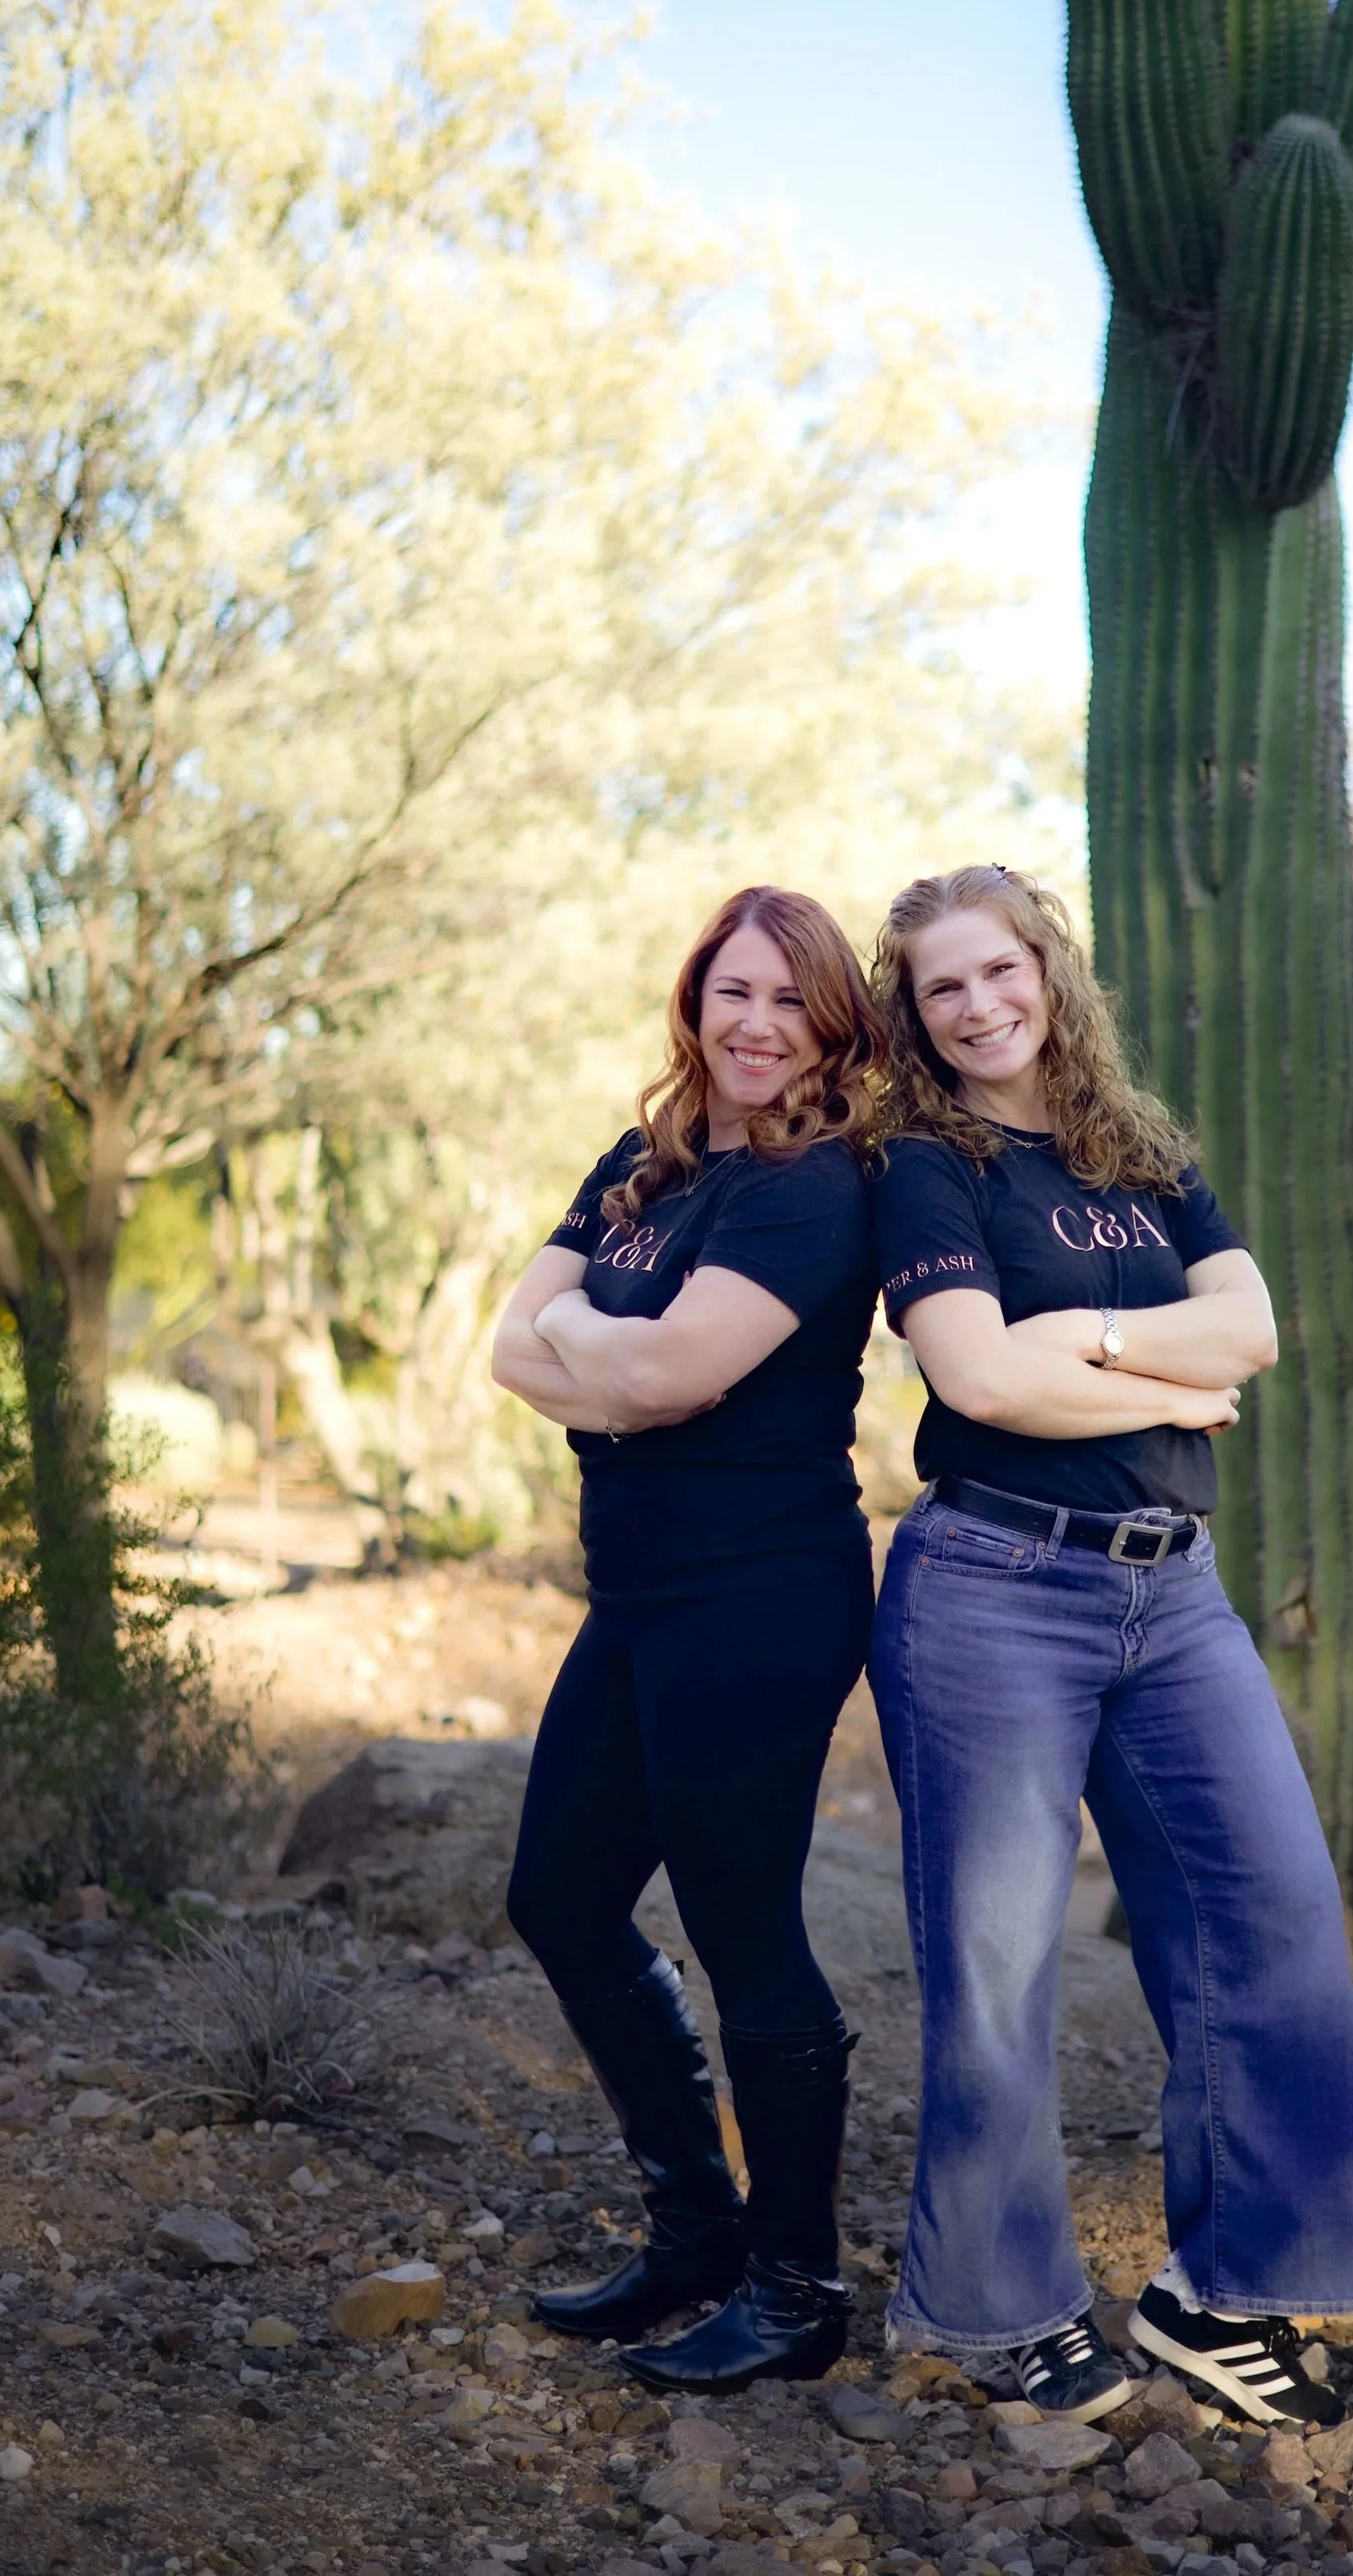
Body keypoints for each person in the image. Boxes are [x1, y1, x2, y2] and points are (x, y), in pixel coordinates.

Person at [864, 863, 1353, 2425]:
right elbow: (975, 1385)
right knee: (999, 1963)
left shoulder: (1139, 1155)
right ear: (912, 1013)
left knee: (1273, 1913)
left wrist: (1080, 1340)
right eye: (939, 988)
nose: (975, 1005)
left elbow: (1256, 1329)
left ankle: (1216, 2292)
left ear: (1046, 969)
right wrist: (1163, 1381)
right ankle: (1003, 2308)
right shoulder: (921, 1161)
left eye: (995, 970)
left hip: (1174, 1597)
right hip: (991, 1590)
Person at [490, 885, 882, 2393]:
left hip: (761, 1597)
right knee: (562, 1899)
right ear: (693, 1000)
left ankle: (796, 2291)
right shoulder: (644, 1161)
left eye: (791, 1001)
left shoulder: (815, 1184)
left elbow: (656, 1373)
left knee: (743, 1928)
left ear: (833, 1022)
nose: (757, 1025)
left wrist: (597, 1350)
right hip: (639, 1592)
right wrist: (613, 1355)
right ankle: (698, 2231)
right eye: (734, 992)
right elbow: (511, 1345)